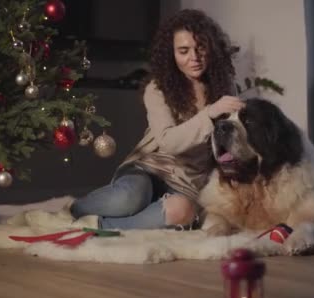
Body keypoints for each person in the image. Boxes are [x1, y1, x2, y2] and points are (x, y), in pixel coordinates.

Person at [68, 9, 244, 230]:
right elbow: (168, 142)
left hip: (188, 183)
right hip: (149, 169)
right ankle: (77, 209)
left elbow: (231, 139)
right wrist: (209, 114)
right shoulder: (157, 88)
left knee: (183, 213)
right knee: (131, 199)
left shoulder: (225, 85)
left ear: (212, 47)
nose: (194, 58)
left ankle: (100, 224)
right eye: (183, 51)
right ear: (171, 54)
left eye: (200, 48)